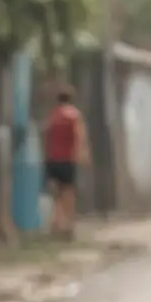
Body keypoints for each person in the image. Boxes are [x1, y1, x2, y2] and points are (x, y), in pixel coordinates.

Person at [40, 86, 89, 239]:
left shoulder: (53, 115)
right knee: (68, 192)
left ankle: (57, 223)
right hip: (68, 159)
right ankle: (69, 224)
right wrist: (82, 154)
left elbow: (45, 135)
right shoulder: (74, 115)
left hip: (52, 158)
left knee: (56, 193)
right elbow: (79, 136)